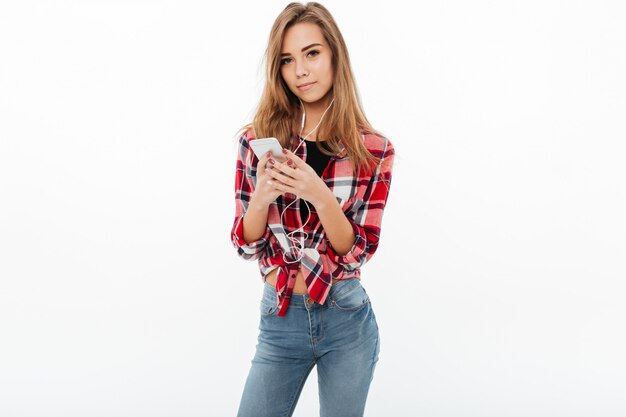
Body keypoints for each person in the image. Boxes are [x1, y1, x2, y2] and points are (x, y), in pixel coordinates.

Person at [230, 2, 395, 416]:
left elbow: (358, 249)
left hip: (346, 317)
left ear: (335, 56)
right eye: (287, 60)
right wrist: (264, 195)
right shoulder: (257, 139)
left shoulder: (374, 150)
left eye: (312, 53)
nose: (300, 70)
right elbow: (245, 244)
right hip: (280, 314)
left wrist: (319, 194)